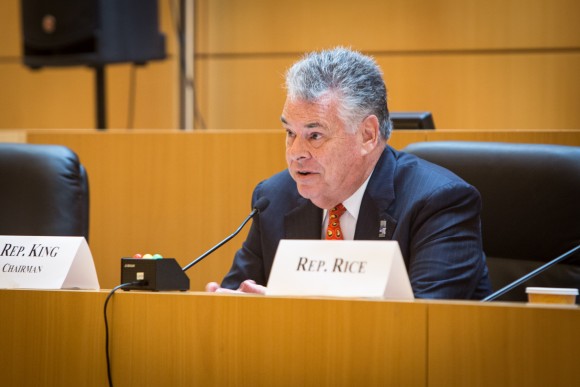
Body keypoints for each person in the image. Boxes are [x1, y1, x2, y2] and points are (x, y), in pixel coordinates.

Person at [206, 47, 491, 299]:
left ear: (367, 134)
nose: (295, 152)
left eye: (314, 135)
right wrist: (228, 303)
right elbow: (238, 299)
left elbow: (424, 326)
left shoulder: (438, 202)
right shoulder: (273, 198)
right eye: (290, 132)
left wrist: (293, 313)